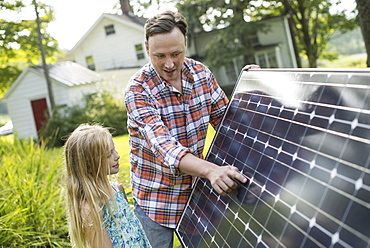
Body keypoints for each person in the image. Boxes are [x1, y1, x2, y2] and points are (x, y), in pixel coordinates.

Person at [124, 10, 259, 248]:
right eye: (160, 55)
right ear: (146, 48)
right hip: (156, 200)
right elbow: (165, 148)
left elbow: (228, 123)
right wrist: (210, 170)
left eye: (176, 53)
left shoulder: (201, 75)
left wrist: (249, 89)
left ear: (186, 43)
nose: (169, 64)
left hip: (197, 194)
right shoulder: (137, 91)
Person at [64, 124, 151, 248]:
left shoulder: (117, 189)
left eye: (114, 149)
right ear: (87, 166)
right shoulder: (90, 207)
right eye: (108, 155)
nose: (117, 156)